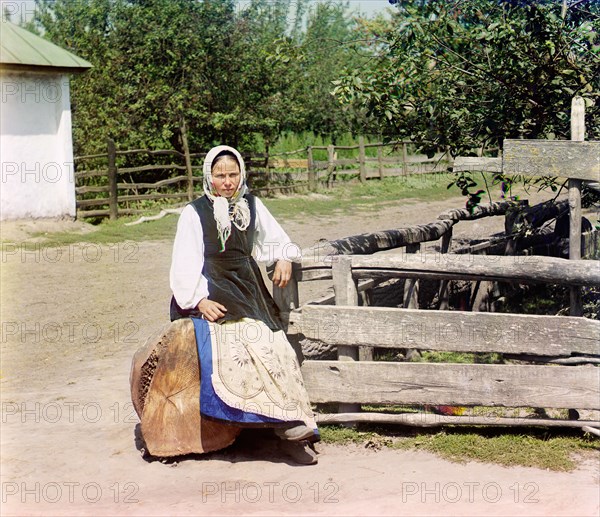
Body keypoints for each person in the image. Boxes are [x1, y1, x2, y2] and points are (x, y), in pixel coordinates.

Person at [169, 145, 319, 465]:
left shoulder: (251, 204)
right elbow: (184, 263)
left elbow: (277, 238)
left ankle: (290, 420)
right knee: (240, 345)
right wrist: (199, 299)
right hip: (212, 285)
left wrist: (283, 257)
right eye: (220, 175)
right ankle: (269, 421)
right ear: (209, 176)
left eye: (233, 174)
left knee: (273, 342)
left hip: (247, 286)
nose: (227, 182)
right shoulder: (194, 212)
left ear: (242, 175)